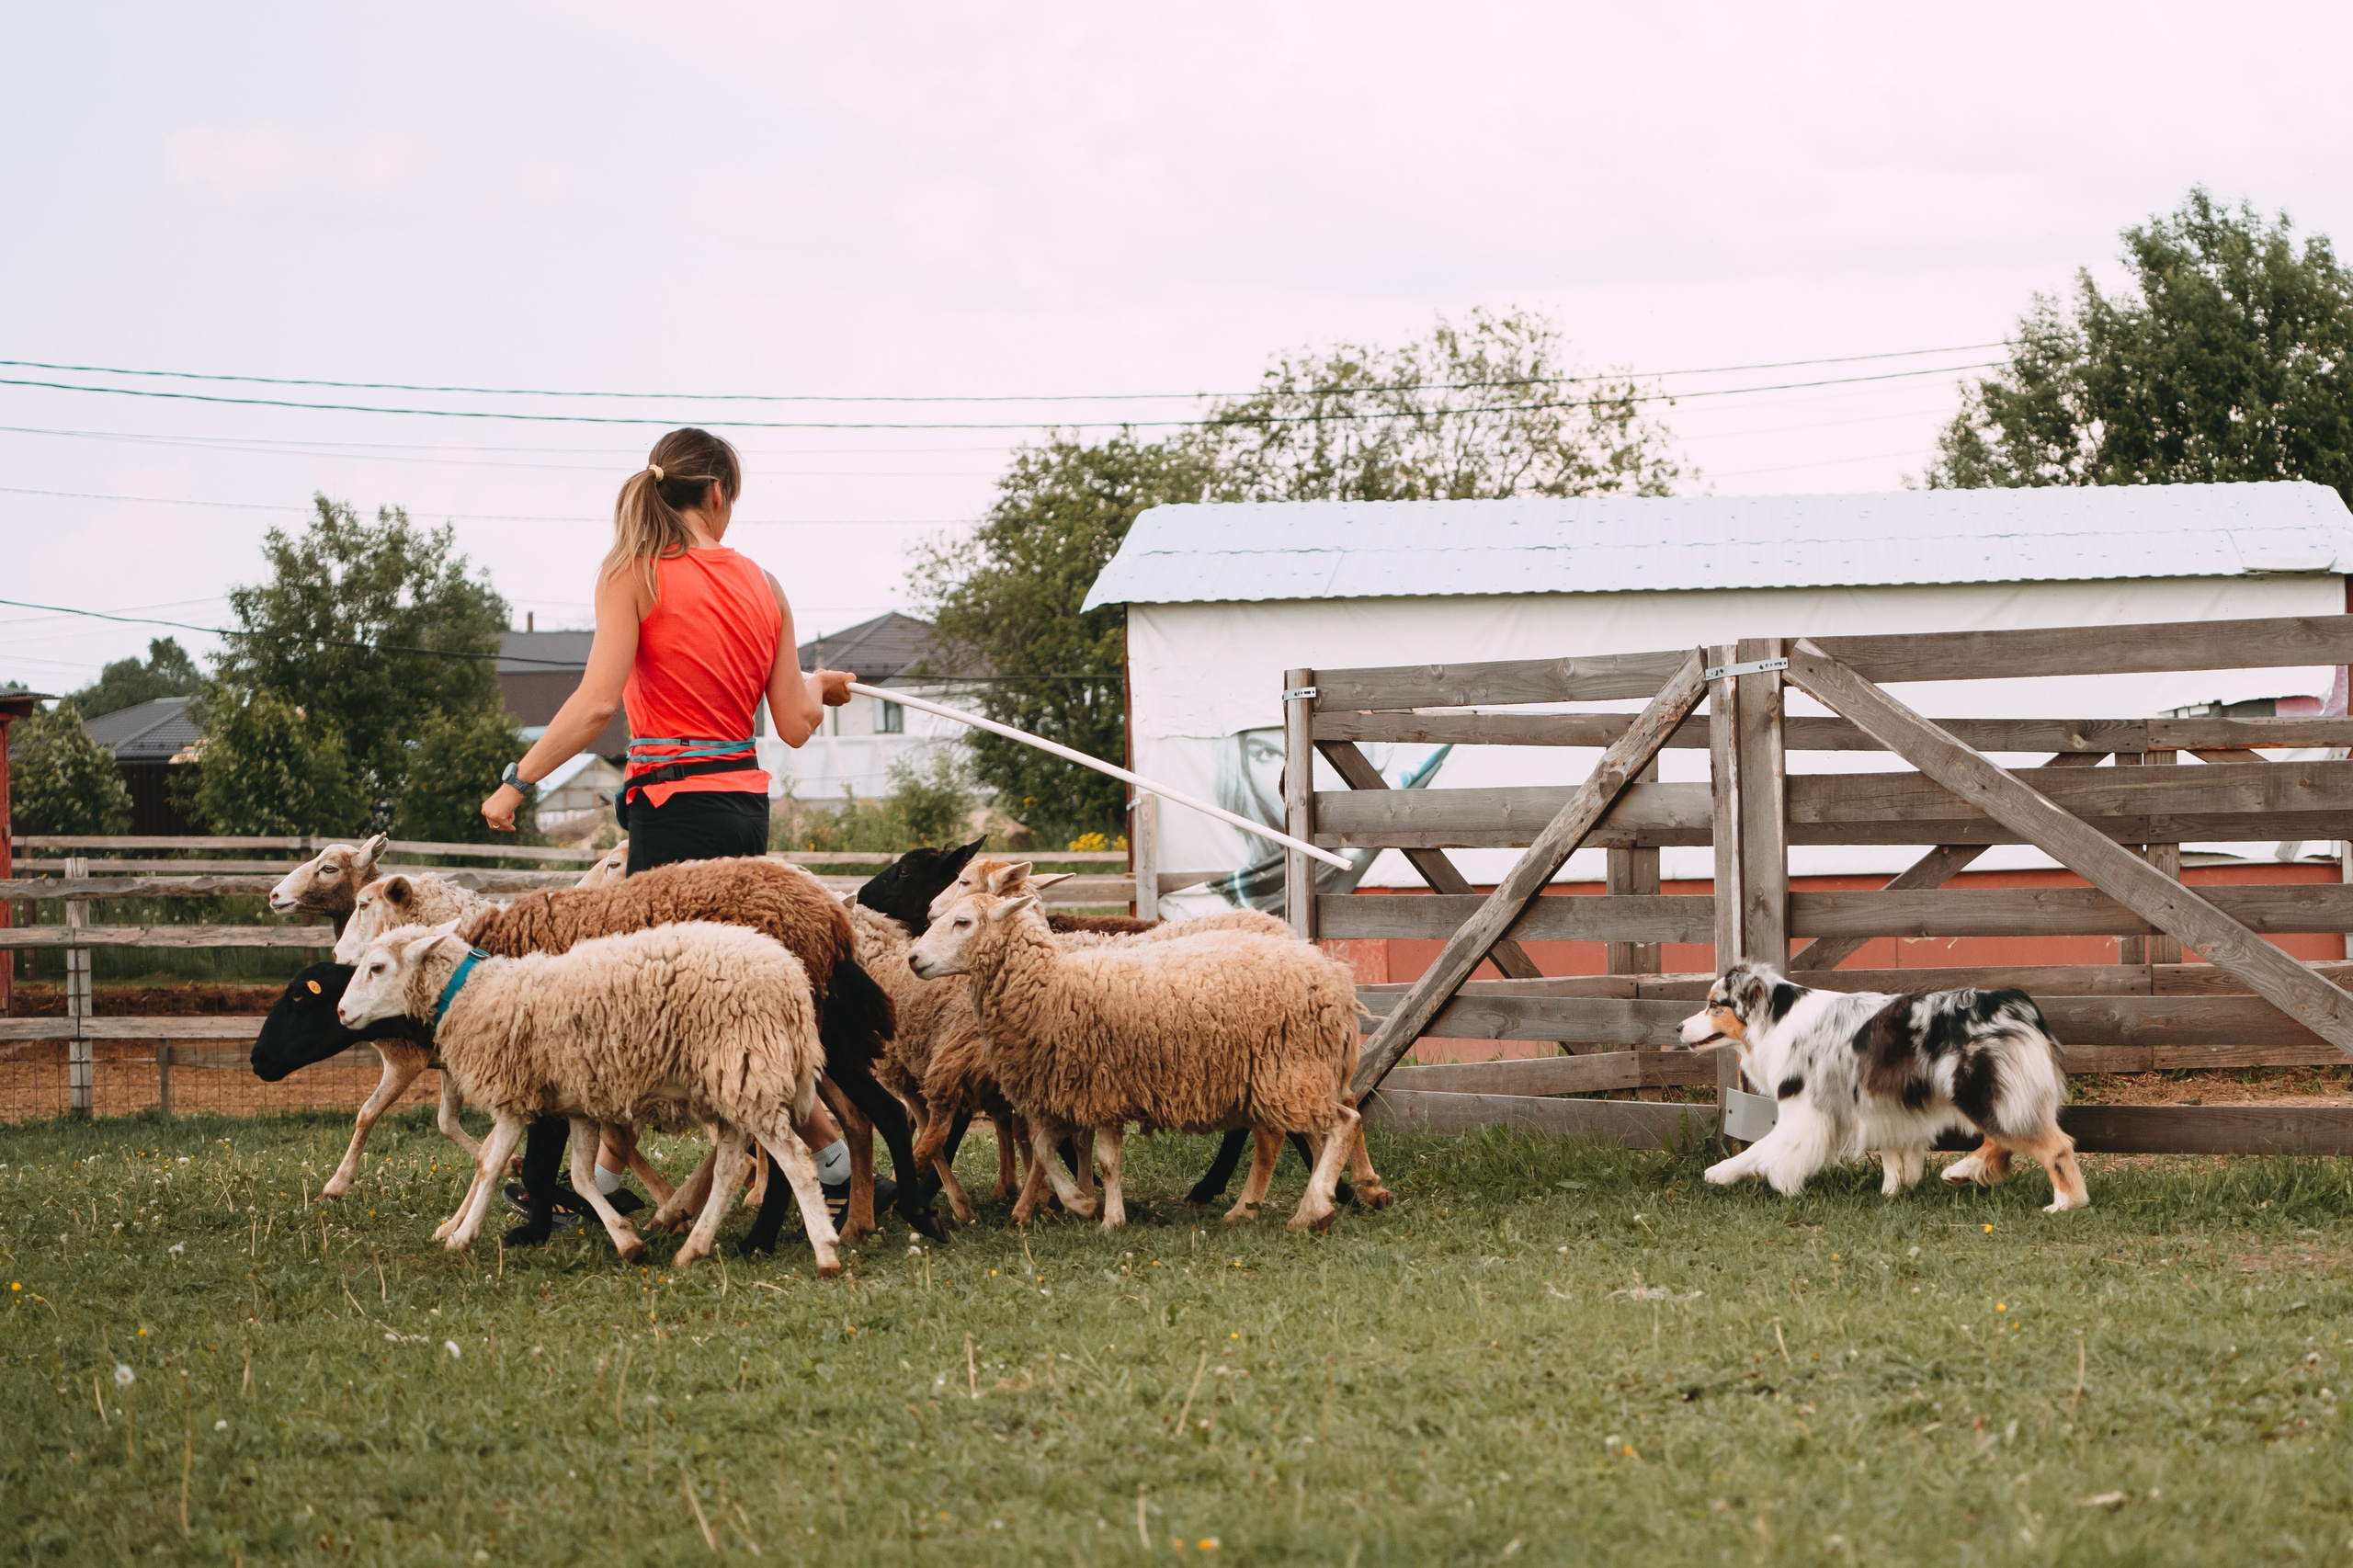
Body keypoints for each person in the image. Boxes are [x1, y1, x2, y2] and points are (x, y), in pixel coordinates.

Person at [479, 426, 865, 1244]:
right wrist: (819, 689)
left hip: (671, 806)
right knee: (722, 996)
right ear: (718, 494)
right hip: (742, 810)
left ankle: (588, 1182)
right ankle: (807, 1168)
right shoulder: (765, 584)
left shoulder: (632, 574)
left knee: (653, 996)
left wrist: (517, 782)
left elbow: (592, 706)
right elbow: (793, 725)